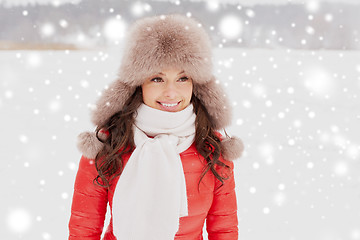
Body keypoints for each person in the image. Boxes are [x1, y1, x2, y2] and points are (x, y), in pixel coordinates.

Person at [68, 14, 244, 240]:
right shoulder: (107, 146)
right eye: (157, 79)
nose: (171, 92)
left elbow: (224, 231)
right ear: (138, 84)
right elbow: (84, 230)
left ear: (197, 84)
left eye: (183, 79)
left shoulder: (213, 148)